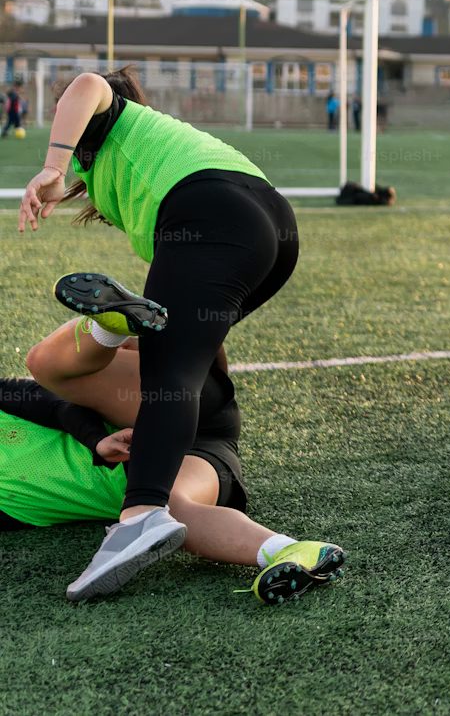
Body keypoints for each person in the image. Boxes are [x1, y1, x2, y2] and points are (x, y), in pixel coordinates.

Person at [16, 66, 300, 599]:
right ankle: (119, 332)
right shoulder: (139, 157)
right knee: (176, 354)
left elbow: (85, 83)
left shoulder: (107, 122)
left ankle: (142, 513)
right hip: (271, 227)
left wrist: (51, 165)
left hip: (212, 212)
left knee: (170, 368)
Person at [11, 301, 345, 603]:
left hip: (145, 416)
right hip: (195, 454)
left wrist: (95, 439)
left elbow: (49, 401)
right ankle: (293, 551)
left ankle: (114, 323)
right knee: (166, 516)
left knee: (51, 366)